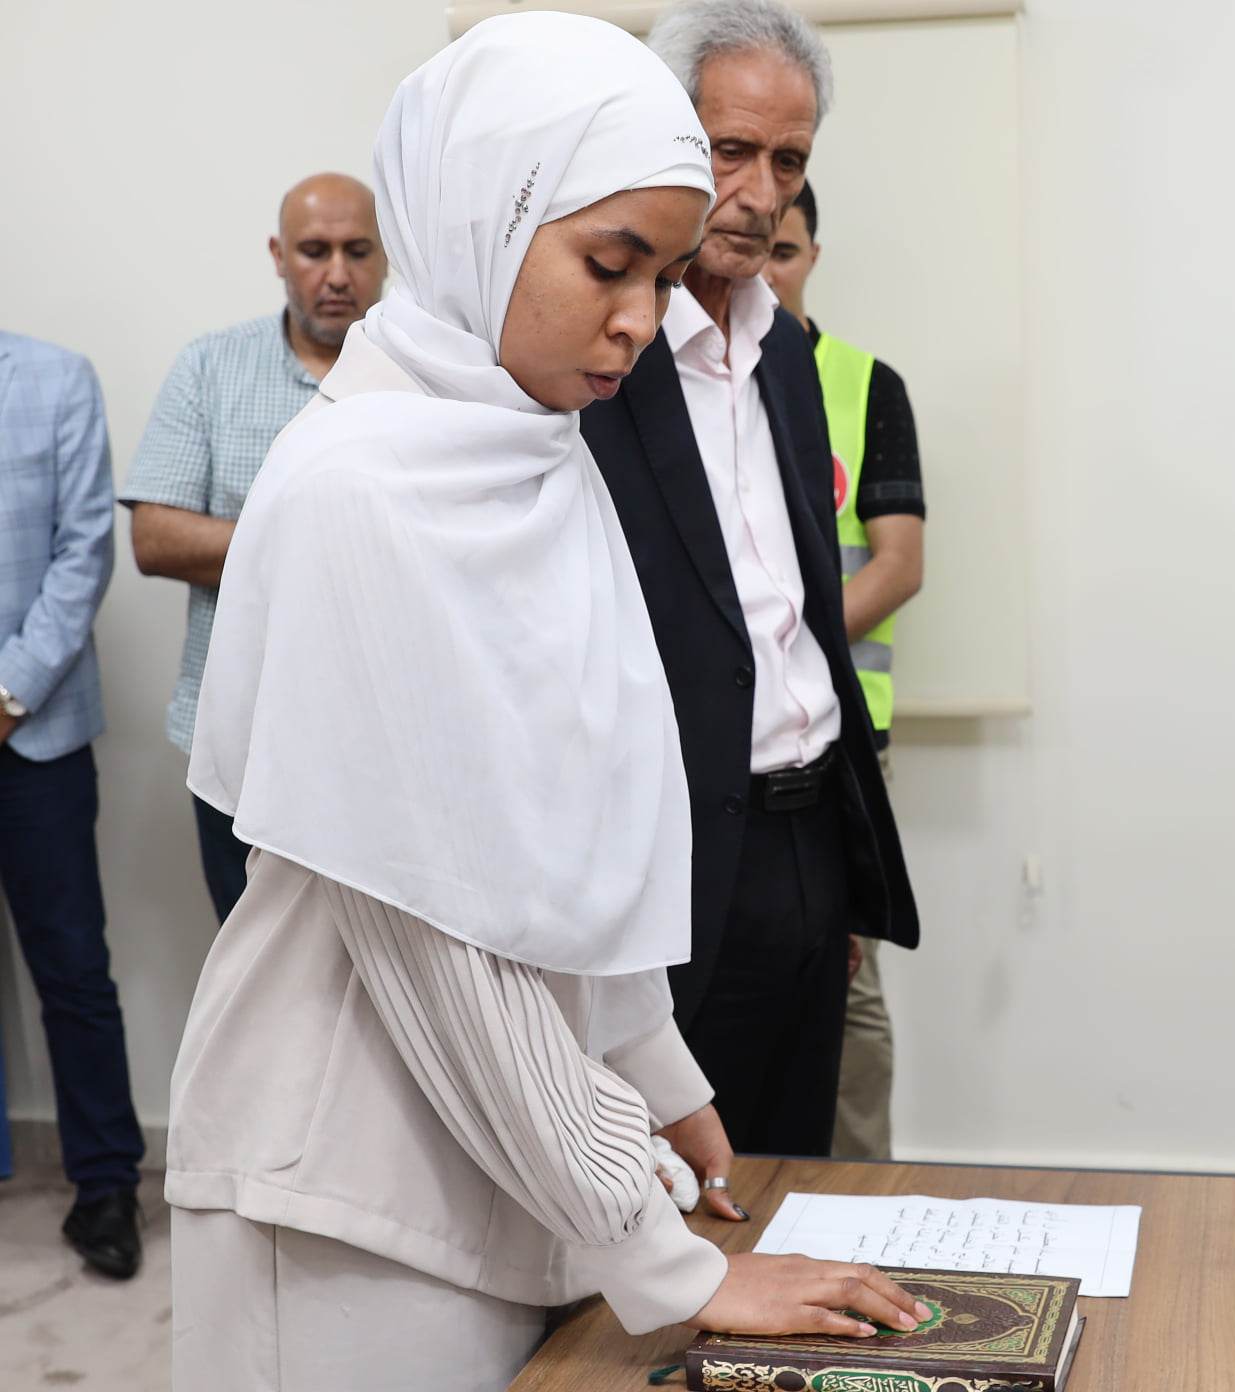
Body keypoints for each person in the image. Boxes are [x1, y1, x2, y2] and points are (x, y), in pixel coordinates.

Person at [166, 17, 926, 1390]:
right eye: (608, 265)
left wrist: (663, 1078)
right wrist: (664, 1253)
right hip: (350, 1199)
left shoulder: (534, 455)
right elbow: (439, 948)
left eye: (662, 276)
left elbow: (571, 850)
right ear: (484, 221)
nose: (640, 318)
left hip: (500, 1162)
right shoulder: (360, 492)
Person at [582, 0, 919, 1161]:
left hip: (809, 831)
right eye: (731, 150)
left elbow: (801, 609)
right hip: (674, 853)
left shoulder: (787, 357)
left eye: (789, 161)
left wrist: (838, 862)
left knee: (799, 1165)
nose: (761, 192)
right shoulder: (601, 355)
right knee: (676, 1189)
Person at [121, 172, 386, 924]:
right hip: (240, 739)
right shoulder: (211, 367)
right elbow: (156, 536)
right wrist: (327, 544)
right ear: (278, 255)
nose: (337, 274)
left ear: (387, 256)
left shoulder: (434, 377)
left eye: (357, 250)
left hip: (386, 741)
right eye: (314, 251)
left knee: (388, 982)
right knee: (253, 974)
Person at [763, 180, 925, 1160]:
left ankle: (866, 1194)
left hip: (844, 738)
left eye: (785, 251)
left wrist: (775, 654)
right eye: (754, 250)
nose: (767, 271)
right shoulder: (673, 380)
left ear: (813, 257)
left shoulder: (866, 385)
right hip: (724, 746)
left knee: (849, 982)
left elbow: (899, 564)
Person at [0, 331, 146, 1279]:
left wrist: (8, 693)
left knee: (73, 969)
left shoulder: (56, 380)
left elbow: (84, 550)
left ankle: (106, 1186)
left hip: (35, 732)